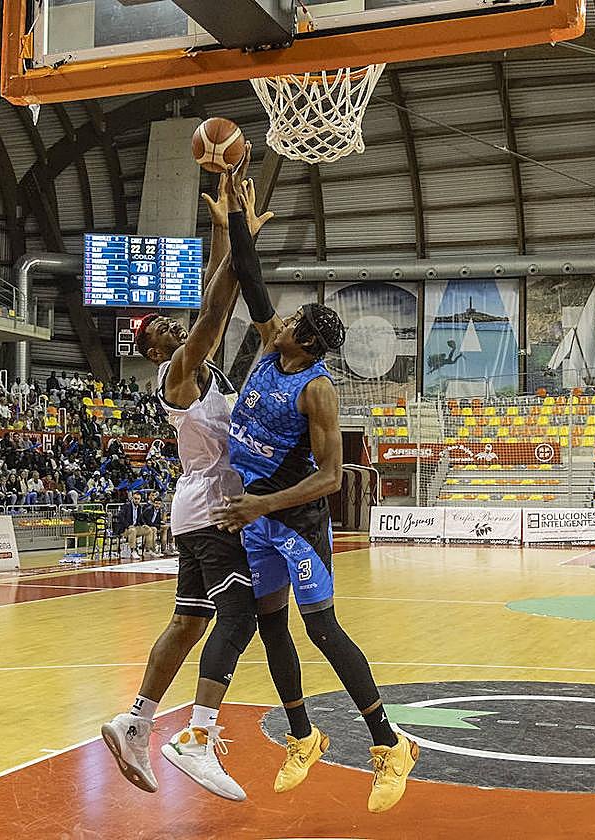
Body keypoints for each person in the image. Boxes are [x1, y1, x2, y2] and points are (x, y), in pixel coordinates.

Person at [211, 185, 417, 814]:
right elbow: (251, 281)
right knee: (270, 626)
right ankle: (305, 738)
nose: (279, 326)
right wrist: (237, 222)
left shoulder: (318, 390)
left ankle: (388, 746)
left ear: (307, 345)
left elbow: (331, 478)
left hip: (294, 519)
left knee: (322, 628)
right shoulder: (274, 340)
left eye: (293, 326)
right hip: (255, 512)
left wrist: (261, 507)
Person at [102, 160, 272, 801]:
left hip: (197, 507)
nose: (169, 327)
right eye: (157, 331)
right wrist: (237, 237)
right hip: (213, 510)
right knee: (241, 615)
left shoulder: (197, 367)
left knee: (187, 621)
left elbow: (211, 299)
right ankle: (196, 736)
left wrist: (225, 229)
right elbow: (216, 310)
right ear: (151, 351)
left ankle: (136, 720)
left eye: (169, 323)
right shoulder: (178, 371)